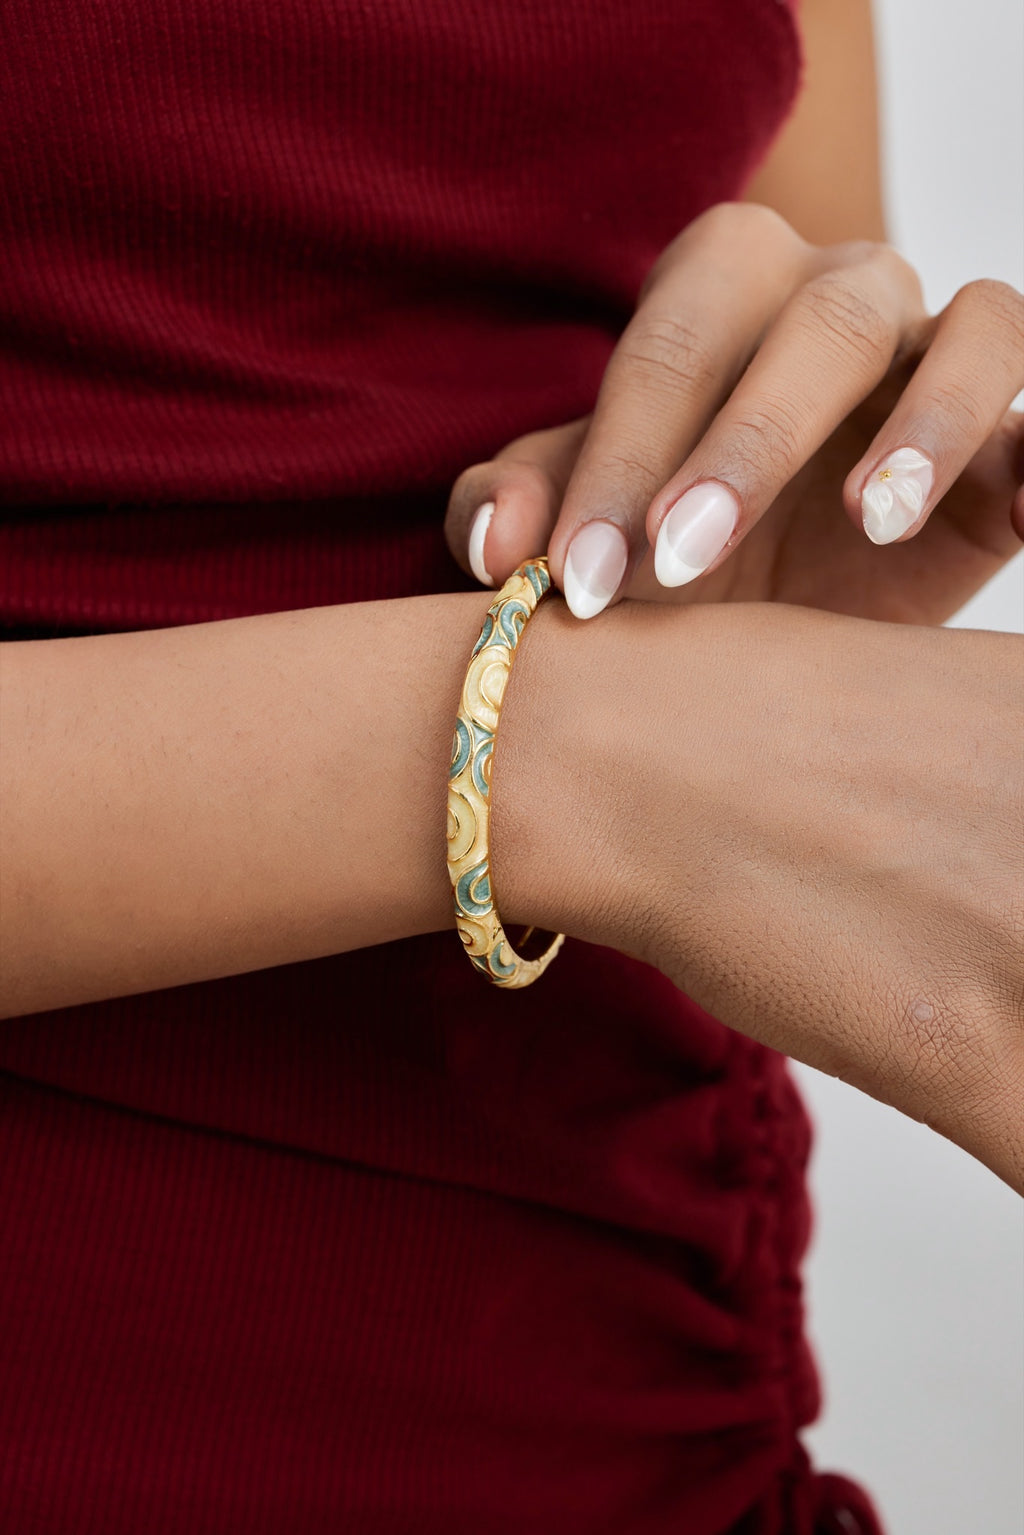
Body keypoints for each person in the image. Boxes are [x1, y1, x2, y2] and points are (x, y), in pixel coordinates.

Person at [0, 1, 1020, 1530]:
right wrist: (574, 753)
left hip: (649, 1402)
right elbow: (660, 765)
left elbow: (777, 297)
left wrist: (764, 487)